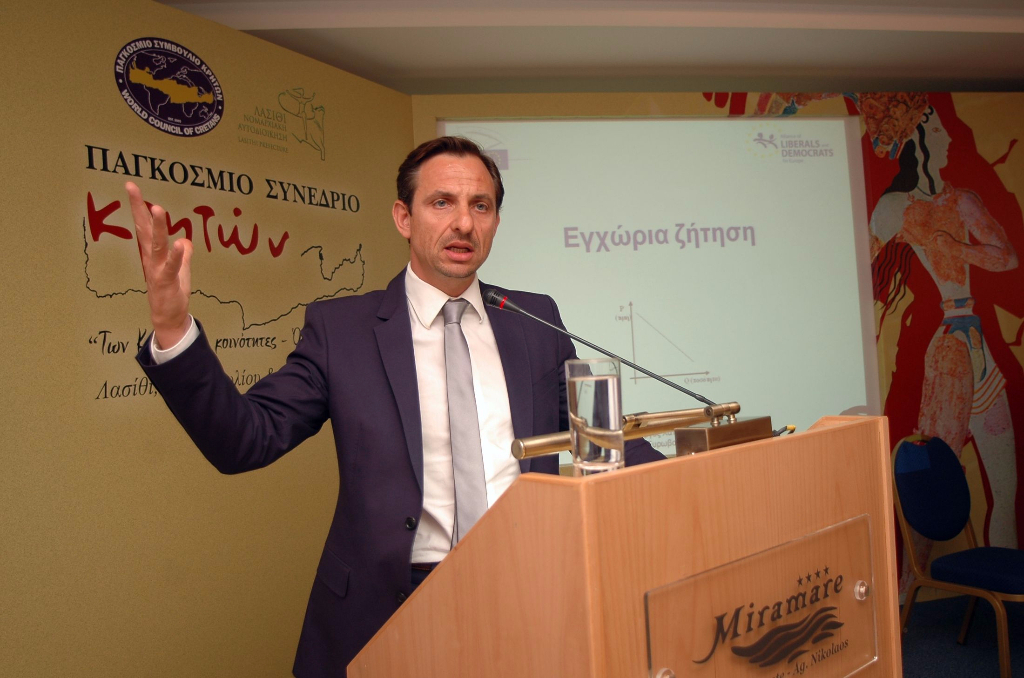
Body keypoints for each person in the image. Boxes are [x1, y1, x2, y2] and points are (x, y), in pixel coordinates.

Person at [130, 136, 663, 678]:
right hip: (390, 604)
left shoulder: (534, 320)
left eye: (480, 206)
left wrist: (685, 477)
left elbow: (604, 438)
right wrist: (173, 327)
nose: (464, 223)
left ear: (496, 222)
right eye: (442, 203)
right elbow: (244, 439)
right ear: (404, 218)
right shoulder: (342, 331)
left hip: (526, 592)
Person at [870, 106, 1019, 587]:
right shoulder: (899, 207)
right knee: (935, 488)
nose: (948, 137)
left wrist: (957, 249)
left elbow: (1006, 257)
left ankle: (1004, 600)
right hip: (951, 355)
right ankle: (906, 596)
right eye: (937, 129)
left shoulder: (963, 201)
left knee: (1006, 485)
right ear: (918, 138)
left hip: (977, 347)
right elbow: (865, 254)